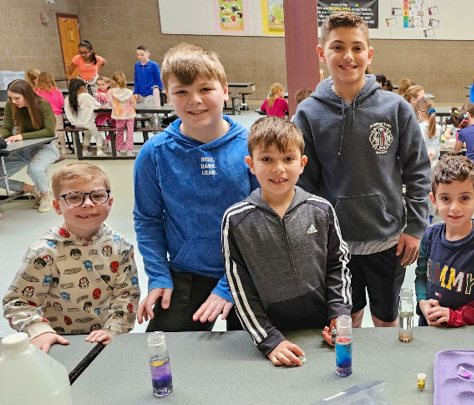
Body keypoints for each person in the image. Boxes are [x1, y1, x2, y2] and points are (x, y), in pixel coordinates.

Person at [292, 12, 431, 329]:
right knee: (345, 321)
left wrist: (415, 227)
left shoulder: (395, 108)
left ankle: (385, 374)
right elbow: (304, 184)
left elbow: (419, 171)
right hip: (336, 246)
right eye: (337, 47)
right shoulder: (308, 113)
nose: (348, 56)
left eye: (357, 48)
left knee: (386, 319)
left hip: (388, 240)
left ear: (369, 54)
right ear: (322, 53)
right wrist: (313, 239)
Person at [134, 43, 258, 333]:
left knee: (257, 356)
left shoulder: (253, 147)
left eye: (205, 89)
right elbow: (147, 220)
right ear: (168, 96)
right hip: (186, 271)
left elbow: (263, 222)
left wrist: (229, 286)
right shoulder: (154, 153)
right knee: (167, 356)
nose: (195, 100)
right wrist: (158, 276)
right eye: (182, 92)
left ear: (224, 90)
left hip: (246, 269)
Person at [222, 116, 351, 366]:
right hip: (269, 337)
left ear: (302, 163)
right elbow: (240, 289)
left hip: (319, 331)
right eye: (267, 159)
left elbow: (338, 264)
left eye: (288, 159)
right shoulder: (236, 219)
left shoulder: (321, 209)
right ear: (251, 164)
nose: (278, 168)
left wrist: (339, 315)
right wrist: (268, 340)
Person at [2, 162, 139, 353]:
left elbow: (127, 296)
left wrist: (114, 329)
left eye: (98, 196)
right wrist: (40, 331)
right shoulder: (44, 252)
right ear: (57, 206)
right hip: (59, 342)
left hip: (105, 342)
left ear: (110, 202)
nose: (88, 203)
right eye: (74, 197)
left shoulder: (121, 247)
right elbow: (17, 303)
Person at [415, 154, 474, 327]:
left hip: (470, 336)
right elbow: (421, 275)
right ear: (434, 200)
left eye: (464, 198)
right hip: (431, 328)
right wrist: (423, 302)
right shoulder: (430, 236)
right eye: (445, 198)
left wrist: (457, 316)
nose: (455, 208)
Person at [0, 79, 58, 214]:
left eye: (16, 98)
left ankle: (45, 195)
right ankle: (32, 189)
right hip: (22, 149)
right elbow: (6, 128)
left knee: (35, 168)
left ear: (27, 95)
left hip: (44, 147)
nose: (13, 101)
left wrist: (22, 136)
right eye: (10, 97)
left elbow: (49, 131)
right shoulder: (11, 105)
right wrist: (1, 136)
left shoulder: (42, 104)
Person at [64, 78, 106, 157]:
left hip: (76, 124)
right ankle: (99, 151)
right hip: (88, 123)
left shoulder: (67, 98)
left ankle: (84, 151)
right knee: (98, 136)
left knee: (87, 134)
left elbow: (67, 112)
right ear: (82, 87)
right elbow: (97, 106)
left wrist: (73, 122)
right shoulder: (86, 96)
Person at [34, 71, 66, 155]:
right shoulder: (56, 90)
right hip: (56, 113)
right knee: (59, 131)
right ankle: (63, 148)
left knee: (50, 131)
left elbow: (36, 103)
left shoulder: (37, 91)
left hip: (43, 114)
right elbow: (62, 103)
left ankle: (55, 149)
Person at [109, 71, 137, 156]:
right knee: (130, 132)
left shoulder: (111, 92)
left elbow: (110, 102)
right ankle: (129, 150)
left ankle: (118, 149)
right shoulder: (129, 92)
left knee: (119, 132)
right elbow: (133, 103)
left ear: (113, 81)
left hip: (119, 114)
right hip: (130, 113)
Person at [415, 96, 440, 167]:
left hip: (421, 168)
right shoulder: (439, 128)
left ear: (419, 113)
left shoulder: (417, 128)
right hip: (435, 167)